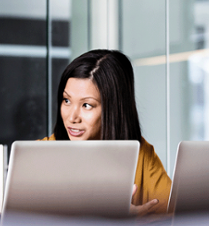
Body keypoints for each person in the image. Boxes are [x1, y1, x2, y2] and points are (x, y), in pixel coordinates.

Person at [42, 49, 171, 215]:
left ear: (113, 110)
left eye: (86, 105)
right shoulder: (43, 154)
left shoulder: (142, 154)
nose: (72, 117)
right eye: (66, 100)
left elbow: (172, 221)